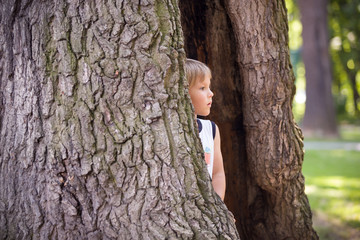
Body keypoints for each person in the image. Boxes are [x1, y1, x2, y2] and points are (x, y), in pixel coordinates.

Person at [185, 58, 226, 201]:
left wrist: (219, 207)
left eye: (209, 87)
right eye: (202, 88)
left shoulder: (211, 130)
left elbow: (217, 174)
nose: (211, 93)